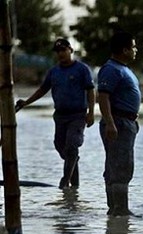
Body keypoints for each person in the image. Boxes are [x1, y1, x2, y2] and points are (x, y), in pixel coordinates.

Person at [16, 38, 95, 189]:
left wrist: (91, 112)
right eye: (58, 51)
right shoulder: (54, 72)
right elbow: (42, 90)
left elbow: (91, 91)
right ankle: (74, 187)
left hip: (77, 115)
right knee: (61, 146)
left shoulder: (82, 69)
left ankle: (65, 180)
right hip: (60, 115)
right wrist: (26, 102)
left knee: (72, 146)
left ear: (70, 50)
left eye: (63, 50)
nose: (61, 54)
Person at [97, 31, 141, 216]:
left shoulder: (122, 68)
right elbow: (103, 97)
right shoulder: (112, 69)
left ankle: (115, 208)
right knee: (121, 166)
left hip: (125, 122)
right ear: (124, 50)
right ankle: (119, 209)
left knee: (117, 164)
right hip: (118, 122)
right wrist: (110, 123)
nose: (135, 50)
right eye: (133, 47)